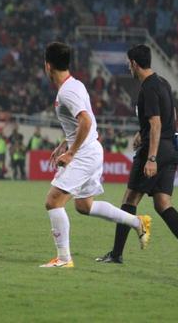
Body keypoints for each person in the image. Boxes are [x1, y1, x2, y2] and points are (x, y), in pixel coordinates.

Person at [40, 42, 151, 268]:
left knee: (53, 201)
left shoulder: (67, 92)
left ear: (47, 66)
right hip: (89, 149)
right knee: (84, 206)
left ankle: (63, 259)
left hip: (84, 154)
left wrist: (71, 152)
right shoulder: (75, 85)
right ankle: (137, 222)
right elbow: (83, 120)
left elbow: (86, 120)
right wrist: (65, 142)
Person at [96, 44, 178, 267]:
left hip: (156, 150)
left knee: (129, 200)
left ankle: (116, 254)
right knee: (163, 203)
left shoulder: (148, 87)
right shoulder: (162, 82)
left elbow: (156, 122)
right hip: (172, 147)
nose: (128, 68)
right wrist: (141, 131)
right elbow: (168, 114)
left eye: (128, 64)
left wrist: (151, 158)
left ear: (134, 63)